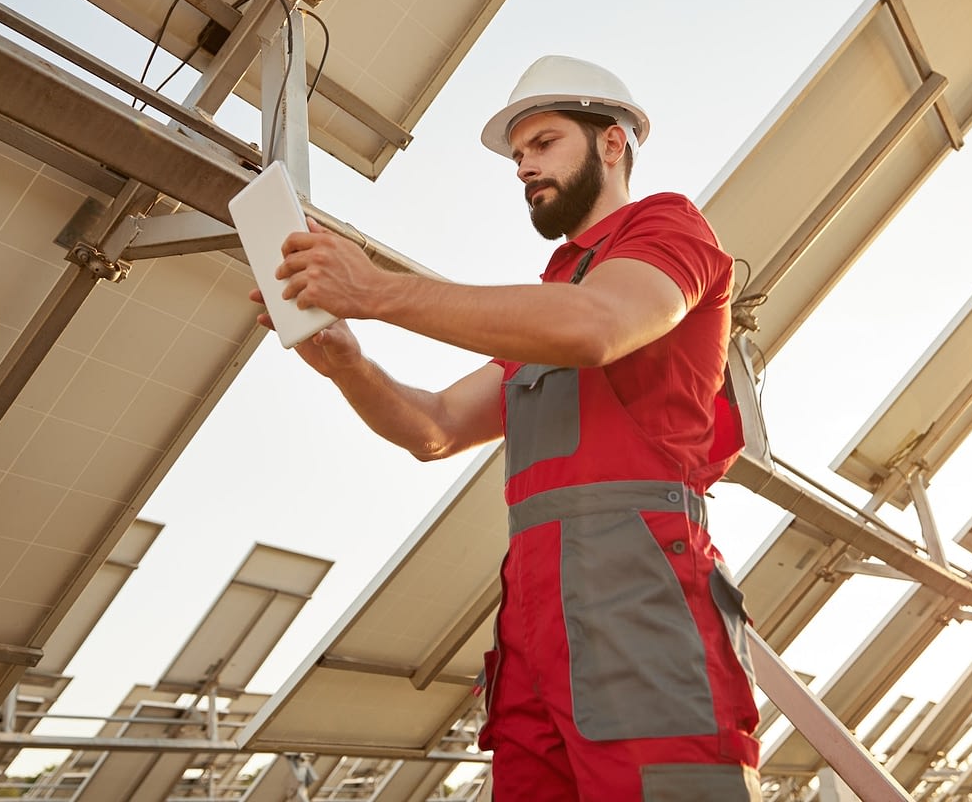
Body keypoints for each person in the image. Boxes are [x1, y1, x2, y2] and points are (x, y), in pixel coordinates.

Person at [252, 55, 761, 800]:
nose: (523, 166)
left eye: (543, 143)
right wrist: (346, 362)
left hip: (640, 596)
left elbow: (598, 328)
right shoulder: (550, 302)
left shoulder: (667, 228)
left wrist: (376, 291)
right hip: (534, 618)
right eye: (517, 155)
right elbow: (434, 428)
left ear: (612, 143)